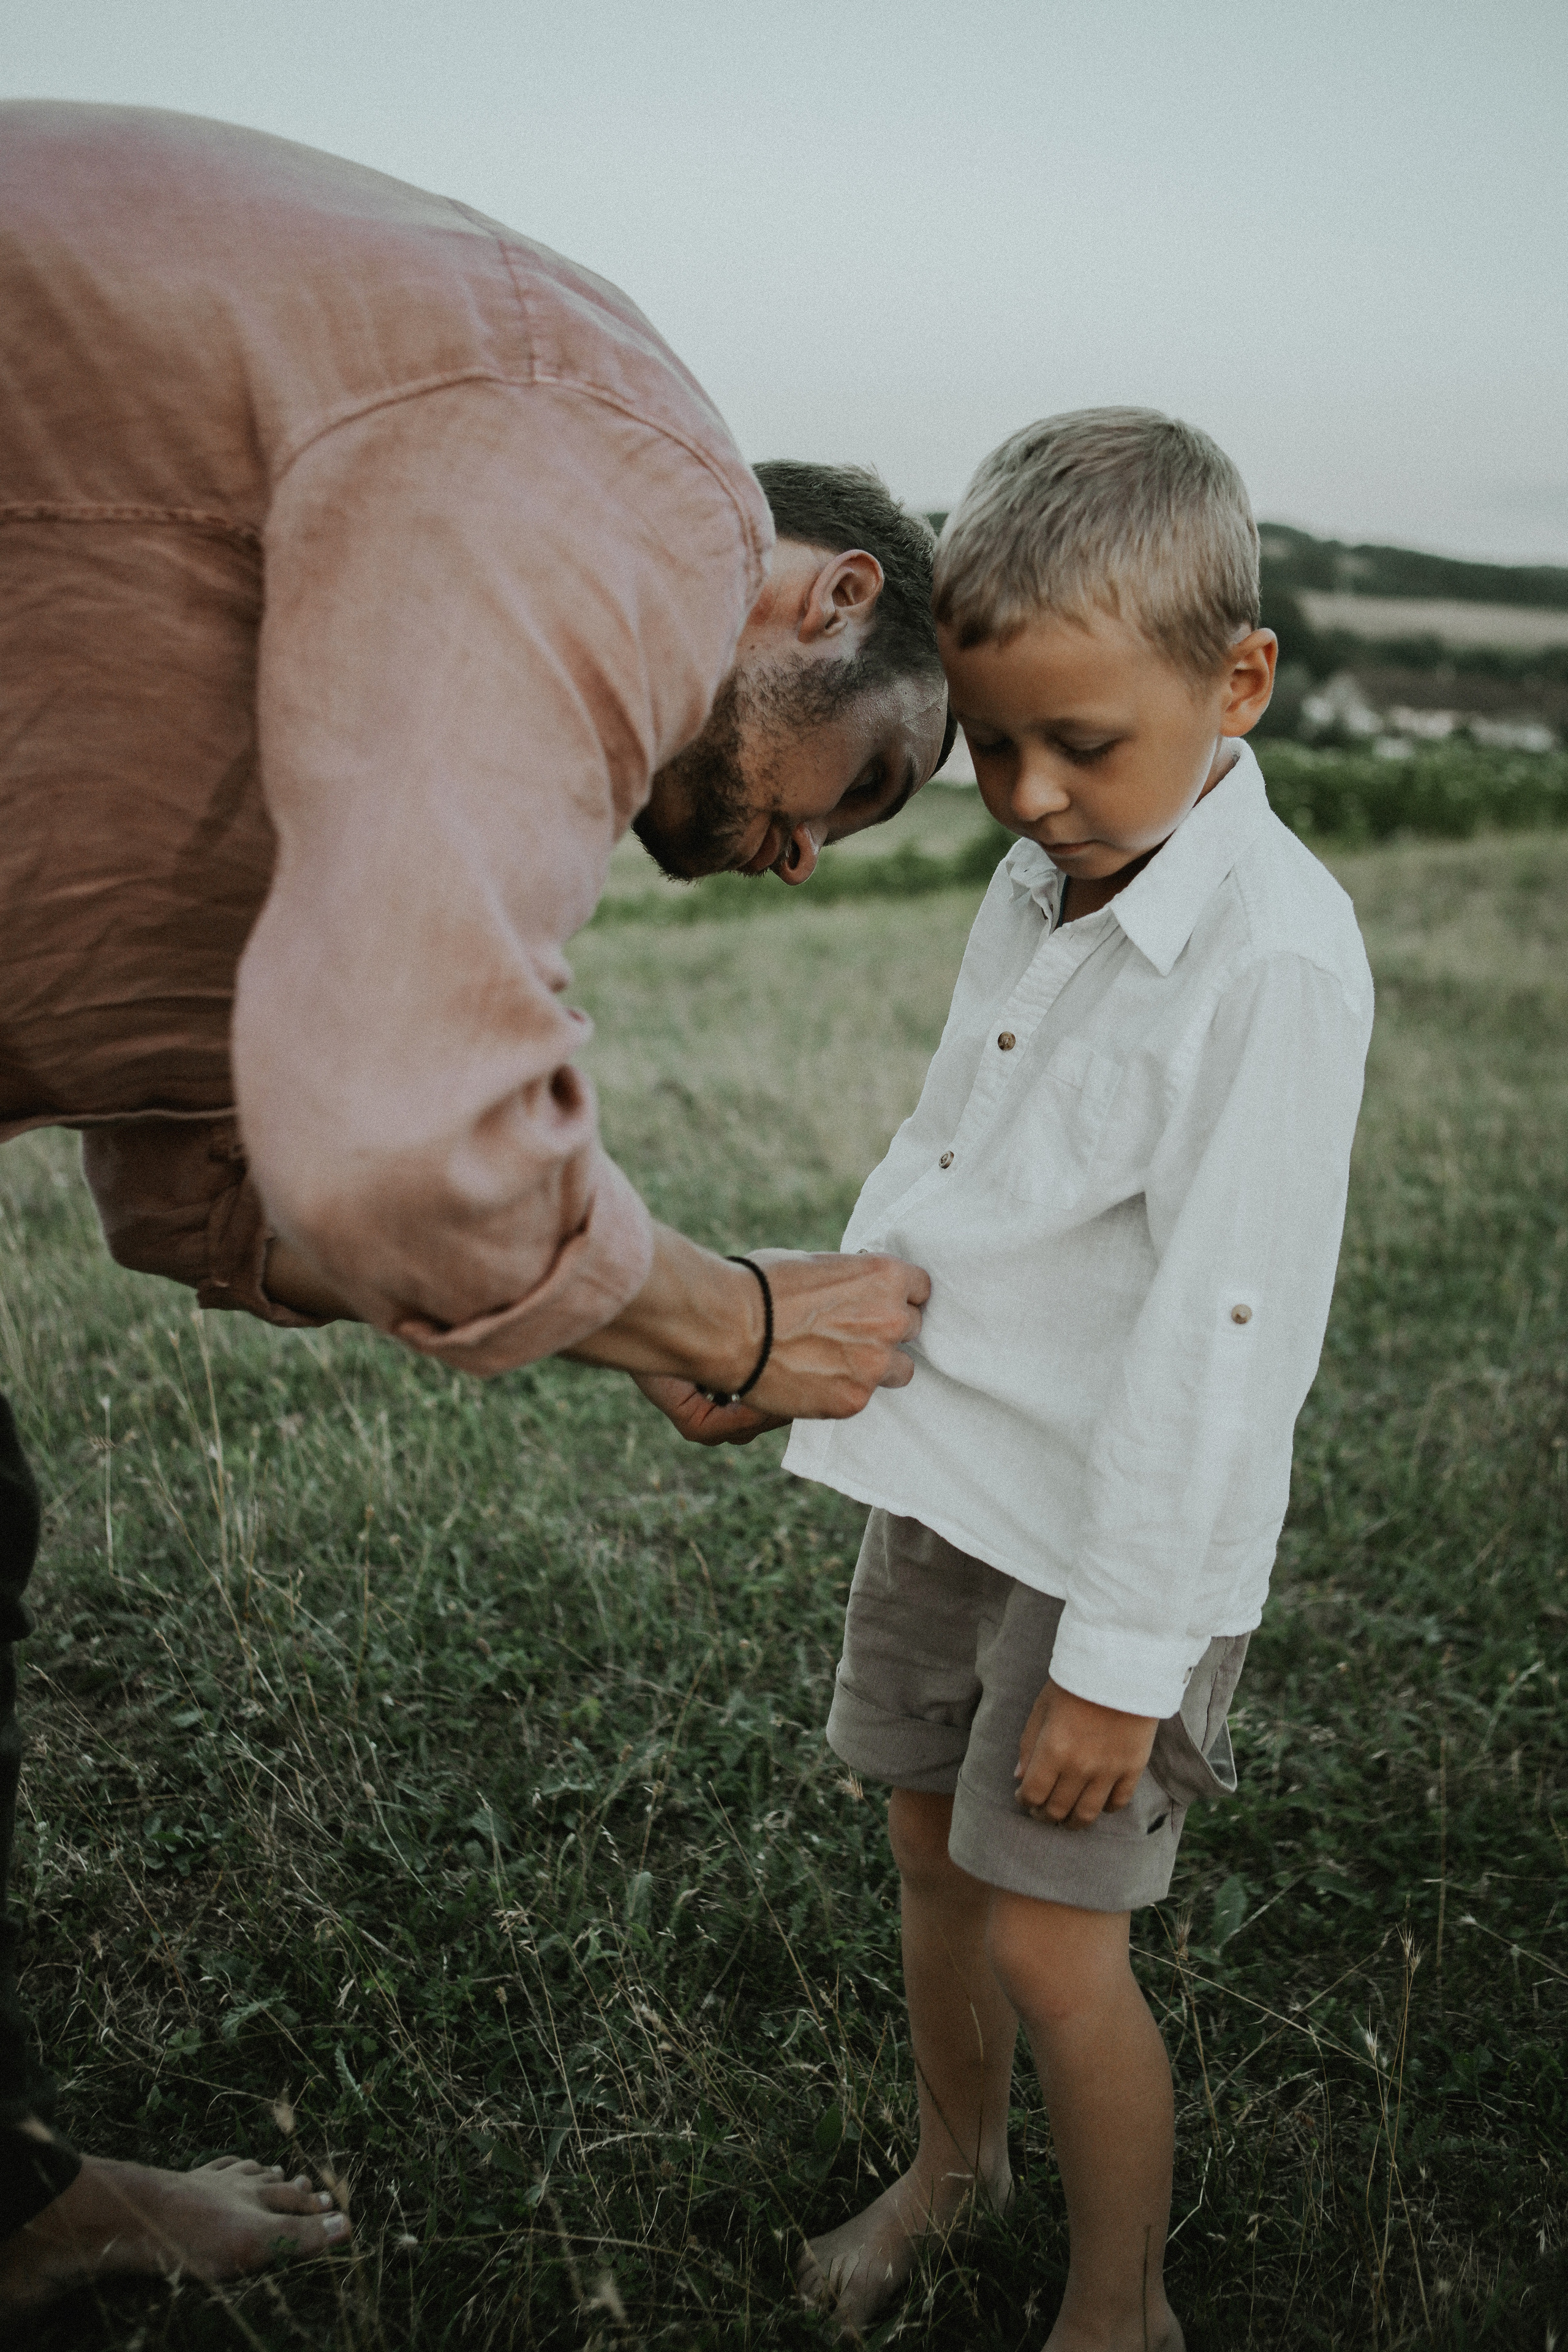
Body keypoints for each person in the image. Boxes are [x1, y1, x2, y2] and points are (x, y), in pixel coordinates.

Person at [0, 102, 946, 2305]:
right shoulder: (618, 458)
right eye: (862, 786)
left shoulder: (445, 593)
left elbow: (208, 1190)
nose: (808, 854)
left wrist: (616, 1315)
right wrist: (716, 1318)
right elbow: (400, 1144)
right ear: (830, 590)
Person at [779, 409, 1374, 2345]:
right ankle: (955, 2174)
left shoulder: (1268, 961)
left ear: (1240, 683)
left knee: (1054, 1937)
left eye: (1084, 743)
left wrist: (1123, 1661)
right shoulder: (1054, 876)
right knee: (927, 1852)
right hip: (958, 1472)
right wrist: (818, 1338)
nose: (1027, 794)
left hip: (1112, 1547)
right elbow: (957, 1155)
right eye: (995, 745)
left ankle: (1121, 2306)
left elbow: (1228, 1341)